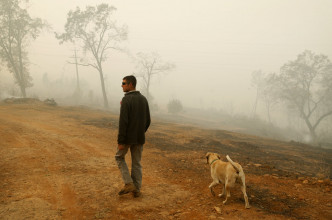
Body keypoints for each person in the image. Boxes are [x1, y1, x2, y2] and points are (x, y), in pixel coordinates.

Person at [115, 75, 151, 198]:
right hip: (139, 138)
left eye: (124, 83)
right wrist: (140, 132)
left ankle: (129, 183)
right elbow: (148, 121)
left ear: (131, 85)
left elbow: (123, 122)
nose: (122, 85)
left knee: (119, 157)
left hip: (127, 139)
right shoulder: (143, 99)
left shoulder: (126, 100)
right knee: (137, 163)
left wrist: (121, 141)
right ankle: (137, 190)